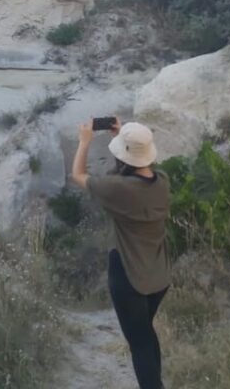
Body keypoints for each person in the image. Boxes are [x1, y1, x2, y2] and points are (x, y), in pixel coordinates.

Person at [70, 117, 170, 389]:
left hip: (130, 279)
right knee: (145, 335)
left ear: (124, 156)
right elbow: (133, 173)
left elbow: (78, 175)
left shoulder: (118, 189)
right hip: (159, 277)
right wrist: (124, 139)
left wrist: (85, 142)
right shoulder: (163, 181)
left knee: (138, 344)